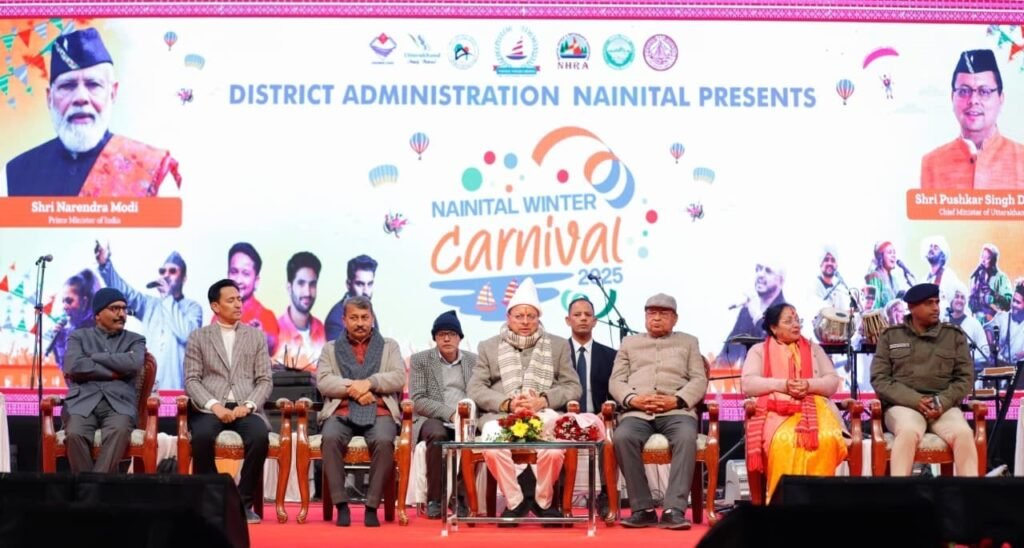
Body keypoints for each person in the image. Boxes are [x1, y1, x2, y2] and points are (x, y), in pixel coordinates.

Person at [3, 28, 181, 197]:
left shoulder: (152, 171)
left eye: (93, 85)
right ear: (49, 98)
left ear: (113, 93)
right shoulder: (13, 175)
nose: (81, 97)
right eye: (67, 86)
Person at [467, 277, 581, 525]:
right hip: (503, 415)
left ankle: (543, 501)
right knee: (490, 442)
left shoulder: (558, 345)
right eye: (519, 316)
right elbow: (475, 388)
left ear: (539, 318)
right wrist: (507, 404)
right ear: (508, 317)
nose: (526, 322)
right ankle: (515, 501)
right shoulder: (489, 346)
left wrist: (543, 400)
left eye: (531, 316)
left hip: (543, 415)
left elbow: (573, 386)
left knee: (555, 450)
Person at [609, 293, 707, 530]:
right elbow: (616, 380)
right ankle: (642, 509)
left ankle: (674, 509)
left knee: (686, 437)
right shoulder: (629, 343)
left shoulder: (688, 342)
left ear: (675, 318)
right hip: (637, 412)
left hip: (677, 411)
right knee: (622, 437)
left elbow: (699, 379)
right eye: (651, 313)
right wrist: (634, 400)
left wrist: (677, 400)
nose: (656, 318)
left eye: (663, 313)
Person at [184, 279, 273, 524]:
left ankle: (242, 503)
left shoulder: (255, 336)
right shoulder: (198, 337)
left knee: (259, 437)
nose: (238, 304)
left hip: (246, 407)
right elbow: (191, 380)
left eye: (239, 299)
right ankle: (214, 500)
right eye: (231, 300)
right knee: (202, 437)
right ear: (215, 306)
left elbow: (265, 380)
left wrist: (249, 406)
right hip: (210, 408)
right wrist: (215, 406)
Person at [741, 302, 847, 502]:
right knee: (784, 441)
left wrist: (808, 385)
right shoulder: (758, 350)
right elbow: (748, 384)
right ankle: (784, 505)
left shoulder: (814, 349)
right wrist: (784, 385)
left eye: (797, 320)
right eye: (789, 321)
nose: (796, 325)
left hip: (815, 409)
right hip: (775, 412)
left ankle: (819, 503)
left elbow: (832, 382)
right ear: (773, 328)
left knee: (825, 439)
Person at [870, 283, 977, 477]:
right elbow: (880, 378)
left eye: (937, 302)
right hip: (903, 406)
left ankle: (970, 494)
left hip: (943, 407)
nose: (936, 308)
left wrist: (942, 401)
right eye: (929, 303)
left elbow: (965, 378)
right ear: (912, 307)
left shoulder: (953, 336)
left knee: (964, 434)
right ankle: (899, 493)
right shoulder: (891, 336)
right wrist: (915, 400)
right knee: (908, 432)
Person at [316, 295, 405, 527]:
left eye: (365, 317)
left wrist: (371, 383)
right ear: (344, 320)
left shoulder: (389, 346)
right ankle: (341, 505)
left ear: (372, 318)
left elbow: (398, 377)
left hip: (380, 412)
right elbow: (324, 381)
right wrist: (355, 388)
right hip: (341, 411)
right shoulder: (330, 348)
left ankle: (372, 506)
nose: (360, 323)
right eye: (354, 318)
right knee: (330, 438)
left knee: (384, 441)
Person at [96, 243, 203, 390]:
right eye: (162, 271)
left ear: (184, 278)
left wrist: (167, 297)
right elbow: (124, 292)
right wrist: (105, 265)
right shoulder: (149, 305)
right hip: (149, 388)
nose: (166, 275)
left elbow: (186, 335)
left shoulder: (193, 308)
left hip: (177, 389)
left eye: (172, 271)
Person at [62, 288, 147, 473]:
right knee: (74, 433)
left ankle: (90, 487)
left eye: (124, 309)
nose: (122, 314)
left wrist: (95, 356)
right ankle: (96, 487)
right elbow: (73, 366)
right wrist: (114, 372)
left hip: (119, 404)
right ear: (98, 315)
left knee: (119, 431)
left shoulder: (136, 340)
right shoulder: (78, 336)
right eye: (115, 308)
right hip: (83, 402)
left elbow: (133, 363)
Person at [920, 49, 1024, 189]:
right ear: (952, 97)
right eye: (964, 91)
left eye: (984, 91)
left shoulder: (1021, 159)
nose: (973, 100)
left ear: (1000, 98)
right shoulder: (932, 163)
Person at [408, 310, 477, 519]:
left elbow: (480, 392)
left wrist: (465, 416)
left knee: (469, 436)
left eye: (451, 334)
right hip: (432, 418)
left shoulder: (474, 361)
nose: (447, 339)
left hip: (467, 418)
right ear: (435, 338)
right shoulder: (421, 360)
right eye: (441, 334)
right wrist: (451, 414)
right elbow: (418, 399)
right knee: (437, 435)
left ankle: (461, 498)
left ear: (460, 337)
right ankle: (435, 499)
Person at [563, 295, 616, 515]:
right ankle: (560, 496)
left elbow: (616, 391)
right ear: (568, 320)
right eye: (577, 315)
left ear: (595, 321)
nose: (583, 318)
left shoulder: (611, 355)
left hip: (600, 417)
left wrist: (608, 409)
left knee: (608, 437)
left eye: (588, 315)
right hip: (565, 417)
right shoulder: (558, 353)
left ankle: (606, 495)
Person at [719, 262, 786, 365]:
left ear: (781, 281)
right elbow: (728, 355)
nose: (760, 274)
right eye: (758, 269)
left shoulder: (787, 313)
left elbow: (776, 352)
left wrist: (757, 317)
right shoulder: (747, 311)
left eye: (768, 271)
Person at [273, 252, 326, 371]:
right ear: (289, 287)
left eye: (312, 284)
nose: (307, 292)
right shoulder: (275, 332)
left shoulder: (322, 330)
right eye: (301, 283)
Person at [227, 242, 279, 355]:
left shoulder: (267, 316)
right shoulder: (218, 316)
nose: (238, 280)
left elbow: (272, 342)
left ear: (256, 281)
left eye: (246, 273)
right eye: (234, 272)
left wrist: (261, 337)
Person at [50, 269, 100, 369]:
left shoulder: (99, 330)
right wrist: (59, 343)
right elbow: (66, 369)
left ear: (84, 302)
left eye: (69, 301)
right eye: (63, 301)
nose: (64, 307)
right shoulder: (69, 331)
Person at [325, 254, 378, 342]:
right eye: (360, 284)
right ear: (348, 284)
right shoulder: (335, 321)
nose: (366, 291)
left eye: (370, 284)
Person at [942, 281, 989, 369]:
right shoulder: (943, 322)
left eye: (962, 297)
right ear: (951, 299)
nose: (960, 300)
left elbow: (985, 351)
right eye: (957, 297)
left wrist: (965, 358)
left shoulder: (974, 324)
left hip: (968, 372)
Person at [969, 243, 1012, 324]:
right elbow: (971, 305)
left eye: (987, 258)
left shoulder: (1001, 277)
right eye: (982, 257)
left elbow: (1008, 302)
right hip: (977, 321)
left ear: (994, 261)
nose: (983, 261)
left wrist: (992, 293)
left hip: (995, 322)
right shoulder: (977, 276)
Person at [865, 241, 911, 310]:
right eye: (890, 253)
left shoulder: (894, 279)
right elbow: (875, 307)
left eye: (894, 253)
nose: (893, 255)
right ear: (880, 256)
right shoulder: (875, 278)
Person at [992, 282, 1024, 363]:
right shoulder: (1001, 317)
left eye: (1018, 302)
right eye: (1013, 300)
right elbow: (988, 329)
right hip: (1003, 365)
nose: (1014, 304)